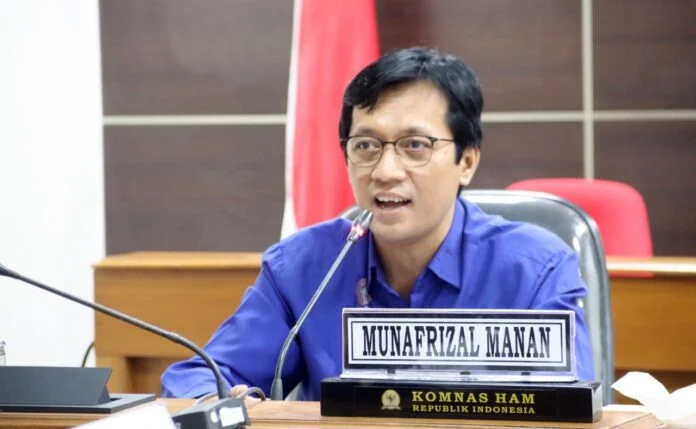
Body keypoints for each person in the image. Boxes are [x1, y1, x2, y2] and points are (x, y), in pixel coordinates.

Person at [160, 47, 594, 400]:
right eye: (366, 145)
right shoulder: (304, 268)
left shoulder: (534, 271)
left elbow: (572, 404)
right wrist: (220, 402)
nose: (385, 171)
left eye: (415, 145)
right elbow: (201, 377)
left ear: (466, 161)